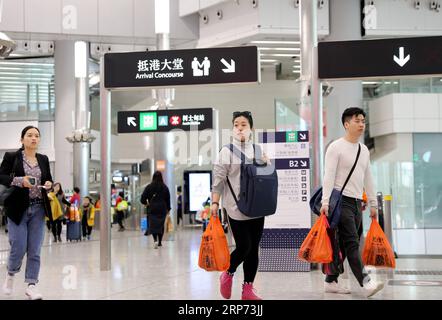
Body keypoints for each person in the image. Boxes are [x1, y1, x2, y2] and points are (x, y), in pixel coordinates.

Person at [320, 107, 384, 298]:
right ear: (346, 124)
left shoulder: (363, 150)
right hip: (340, 202)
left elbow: (368, 177)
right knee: (352, 243)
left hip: (357, 203)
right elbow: (328, 176)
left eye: (363, 120)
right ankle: (367, 284)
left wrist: (373, 204)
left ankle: (330, 282)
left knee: (345, 244)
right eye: (357, 121)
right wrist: (325, 202)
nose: (361, 124)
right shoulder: (336, 147)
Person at [212, 111, 267, 300]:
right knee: (244, 246)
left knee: (254, 250)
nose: (240, 127)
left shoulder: (258, 150)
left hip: (258, 207)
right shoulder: (226, 151)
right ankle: (228, 272)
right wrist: (214, 202)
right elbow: (218, 179)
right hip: (235, 209)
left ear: (251, 128)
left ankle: (248, 289)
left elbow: (266, 177)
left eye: (244, 124)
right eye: (236, 124)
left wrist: (267, 164)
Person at [0, 126, 53, 300]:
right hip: (17, 209)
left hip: (38, 209)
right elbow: (1, 176)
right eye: (29, 135)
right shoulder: (12, 157)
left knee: (35, 250)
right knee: (18, 246)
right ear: (22, 139)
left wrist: (49, 184)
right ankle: (10, 274)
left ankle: (31, 285)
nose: (33, 138)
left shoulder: (43, 159)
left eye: (37, 136)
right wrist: (19, 181)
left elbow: (48, 178)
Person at [140, 171, 171, 249]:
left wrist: (146, 203)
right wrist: (168, 208)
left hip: (152, 208)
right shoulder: (165, 187)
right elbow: (168, 199)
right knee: (161, 225)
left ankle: (155, 241)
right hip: (162, 209)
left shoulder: (149, 187)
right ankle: (160, 242)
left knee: (153, 225)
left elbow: (142, 199)